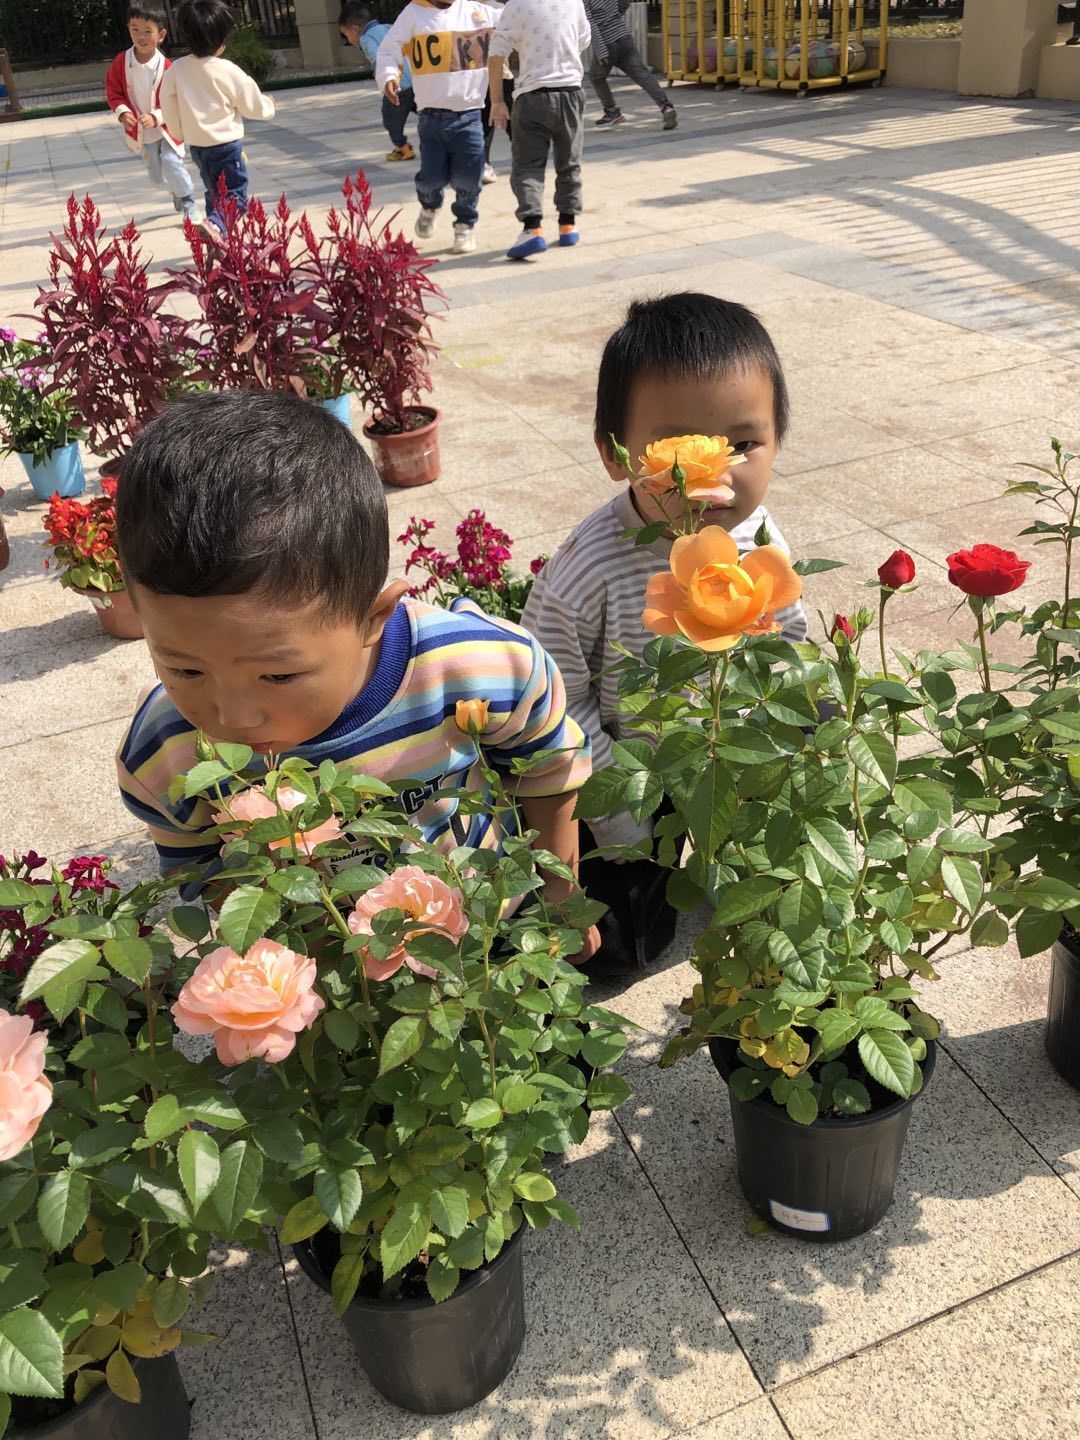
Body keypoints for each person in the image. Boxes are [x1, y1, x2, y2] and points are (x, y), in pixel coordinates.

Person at [114, 390, 599, 962]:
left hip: (489, 927)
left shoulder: (476, 667)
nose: (233, 717)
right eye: (184, 668)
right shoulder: (164, 751)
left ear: (374, 618)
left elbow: (548, 765)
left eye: (278, 675)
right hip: (329, 976)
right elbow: (198, 870)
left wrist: (559, 899)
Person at [521, 293, 806, 974]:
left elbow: (787, 643)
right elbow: (556, 698)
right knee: (622, 953)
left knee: (768, 908)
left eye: (743, 444)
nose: (715, 478)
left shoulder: (759, 537)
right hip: (629, 768)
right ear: (615, 454)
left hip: (732, 755)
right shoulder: (587, 568)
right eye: (679, 453)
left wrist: (799, 739)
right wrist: (624, 812)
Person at [375, 0, 501, 256]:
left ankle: (465, 223)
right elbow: (389, 50)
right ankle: (430, 205)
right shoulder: (413, 13)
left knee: (469, 178)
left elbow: (519, 17)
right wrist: (388, 76)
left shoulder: (480, 13)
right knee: (431, 178)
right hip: (431, 118)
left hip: (469, 116)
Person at [159, 0, 276, 239]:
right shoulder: (226, 70)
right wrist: (268, 106)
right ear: (221, 41)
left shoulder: (176, 70)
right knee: (235, 195)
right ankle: (214, 225)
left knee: (215, 193)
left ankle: (217, 241)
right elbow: (251, 103)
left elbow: (167, 105)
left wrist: (179, 132)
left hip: (198, 148)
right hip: (226, 147)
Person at [489, 0, 591, 261]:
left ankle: (532, 228)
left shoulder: (516, 5)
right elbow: (583, 40)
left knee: (528, 166)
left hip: (532, 96)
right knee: (569, 162)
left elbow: (496, 54)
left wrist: (497, 101)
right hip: (570, 91)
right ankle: (568, 226)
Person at [104, 3, 200, 228]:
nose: (141, 36)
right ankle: (177, 189)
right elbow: (113, 91)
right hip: (142, 131)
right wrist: (123, 113)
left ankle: (188, 202)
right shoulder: (121, 62)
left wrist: (157, 117)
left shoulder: (166, 67)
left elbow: (175, 99)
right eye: (135, 29)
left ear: (161, 35)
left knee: (170, 161)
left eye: (148, 31)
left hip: (166, 128)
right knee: (157, 175)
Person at [338, 2, 416, 162]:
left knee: (390, 119)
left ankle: (403, 147)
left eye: (346, 35)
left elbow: (377, 57)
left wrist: (380, 71)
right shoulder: (388, 27)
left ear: (355, 29)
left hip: (397, 87)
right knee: (425, 111)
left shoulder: (366, 39)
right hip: (415, 83)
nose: (348, 40)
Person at [584, 0, 676, 130]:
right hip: (623, 36)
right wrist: (615, 16)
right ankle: (666, 106)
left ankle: (611, 110)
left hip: (607, 42)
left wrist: (601, 51)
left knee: (596, 76)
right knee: (643, 75)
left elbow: (589, 22)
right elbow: (624, 2)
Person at [481, 51, 514, 185]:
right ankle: (483, 163)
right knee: (484, 120)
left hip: (499, 72)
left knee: (512, 118)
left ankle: (525, 159)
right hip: (478, 73)